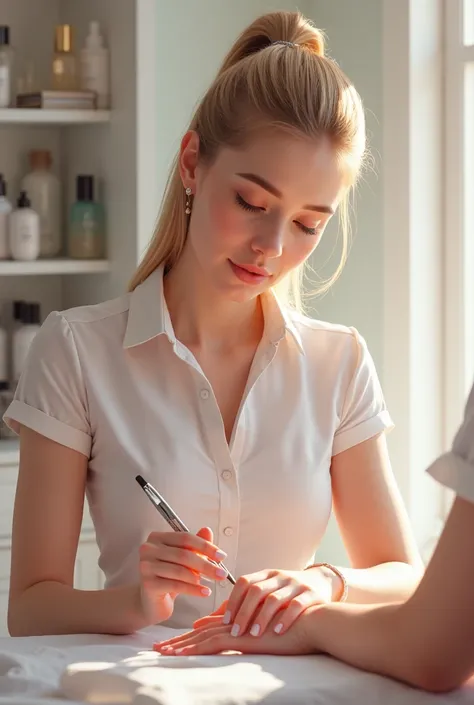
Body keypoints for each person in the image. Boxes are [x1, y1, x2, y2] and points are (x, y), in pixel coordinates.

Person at [4, 10, 422, 639]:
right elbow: (31, 606)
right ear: (193, 162)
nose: (272, 247)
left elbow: (401, 575)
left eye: (309, 223)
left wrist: (322, 583)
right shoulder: (76, 350)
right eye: (252, 203)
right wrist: (137, 603)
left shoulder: (340, 364)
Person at [154, 390, 474, 694]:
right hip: (153, 667)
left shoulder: (340, 357)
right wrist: (136, 602)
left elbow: (432, 641)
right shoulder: (104, 354)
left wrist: (320, 591)